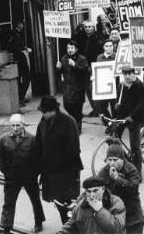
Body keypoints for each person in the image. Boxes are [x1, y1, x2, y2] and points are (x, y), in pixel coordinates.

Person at [35, 96, 83, 224]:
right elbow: (38, 146)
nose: (43, 114)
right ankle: (68, 228)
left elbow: (73, 149)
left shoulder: (68, 122)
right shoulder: (43, 123)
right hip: (51, 173)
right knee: (58, 203)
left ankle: (71, 229)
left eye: (45, 111)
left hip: (66, 173)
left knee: (67, 205)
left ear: (53, 110)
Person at [0, 114, 45, 234]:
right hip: (12, 177)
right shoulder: (4, 140)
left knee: (35, 200)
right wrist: (6, 172)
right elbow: (1, 158)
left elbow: (39, 159)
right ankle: (6, 228)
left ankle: (38, 222)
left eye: (18, 125)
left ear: (23, 125)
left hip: (29, 176)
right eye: (12, 125)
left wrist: (34, 173)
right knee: (9, 202)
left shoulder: (32, 139)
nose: (15, 128)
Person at [96, 144, 144, 233]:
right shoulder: (105, 171)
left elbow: (133, 188)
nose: (112, 163)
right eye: (109, 160)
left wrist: (117, 179)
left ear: (122, 159)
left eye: (115, 160)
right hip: (116, 214)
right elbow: (96, 186)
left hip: (132, 215)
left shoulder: (131, 169)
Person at [57, 176, 126, 234]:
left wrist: (100, 210)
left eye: (95, 191)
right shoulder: (81, 205)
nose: (92, 195)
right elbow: (71, 225)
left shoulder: (115, 203)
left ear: (103, 189)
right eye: (89, 191)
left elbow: (117, 229)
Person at [115, 65, 144, 173]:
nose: (128, 76)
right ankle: (127, 161)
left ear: (134, 73)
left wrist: (132, 117)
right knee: (114, 138)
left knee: (135, 147)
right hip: (124, 116)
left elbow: (141, 105)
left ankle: (137, 172)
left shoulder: (140, 86)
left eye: (130, 73)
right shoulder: (121, 85)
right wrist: (117, 107)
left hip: (136, 118)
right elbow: (120, 100)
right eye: (125, 74)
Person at [56, 41, 90, 134]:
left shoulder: (82, 58)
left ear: (76, 49)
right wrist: (58, 68)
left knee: (77, 109)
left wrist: (75, 65)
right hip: (67, 88)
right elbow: (59, 74)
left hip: (78, 88)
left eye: (71, 48)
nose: (69, 50)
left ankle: (77, 127)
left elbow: (85, 71)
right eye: (68, 48)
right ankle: (74, 122)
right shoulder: (64, 58)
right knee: (67, 106)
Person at [74, 20, 105, 117]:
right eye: (86, 27)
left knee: (93, 88)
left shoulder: (98, 37)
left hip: (94, 66)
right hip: (83, 65)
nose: (88, 28)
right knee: (86, 88)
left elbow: (102, 50)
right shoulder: (80, 37)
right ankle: (95, 109)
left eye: (90, 26)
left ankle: (98, 109)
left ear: (93, 27)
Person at [8, 21, 32, 107]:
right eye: (22, 24)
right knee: (26, 77)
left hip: (16, 58)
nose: (23, 26)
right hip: (19, 58)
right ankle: (20, 98)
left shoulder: (13, 33)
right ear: (18, 24)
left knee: (19, 79)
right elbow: (17, 46)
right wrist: (26, 49)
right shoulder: (16, 34)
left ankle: (19, 98)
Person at [96, 40, 117, 119]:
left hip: (114, 85)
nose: (109, 48)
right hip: (104, 85)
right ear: (103, 47)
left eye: (110, 46)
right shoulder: (99, 57)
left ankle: (114, 125)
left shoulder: (117, 56)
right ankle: (109, 123)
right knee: (102, 107)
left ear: (113, 47)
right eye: (106, 46)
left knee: (114, 107)